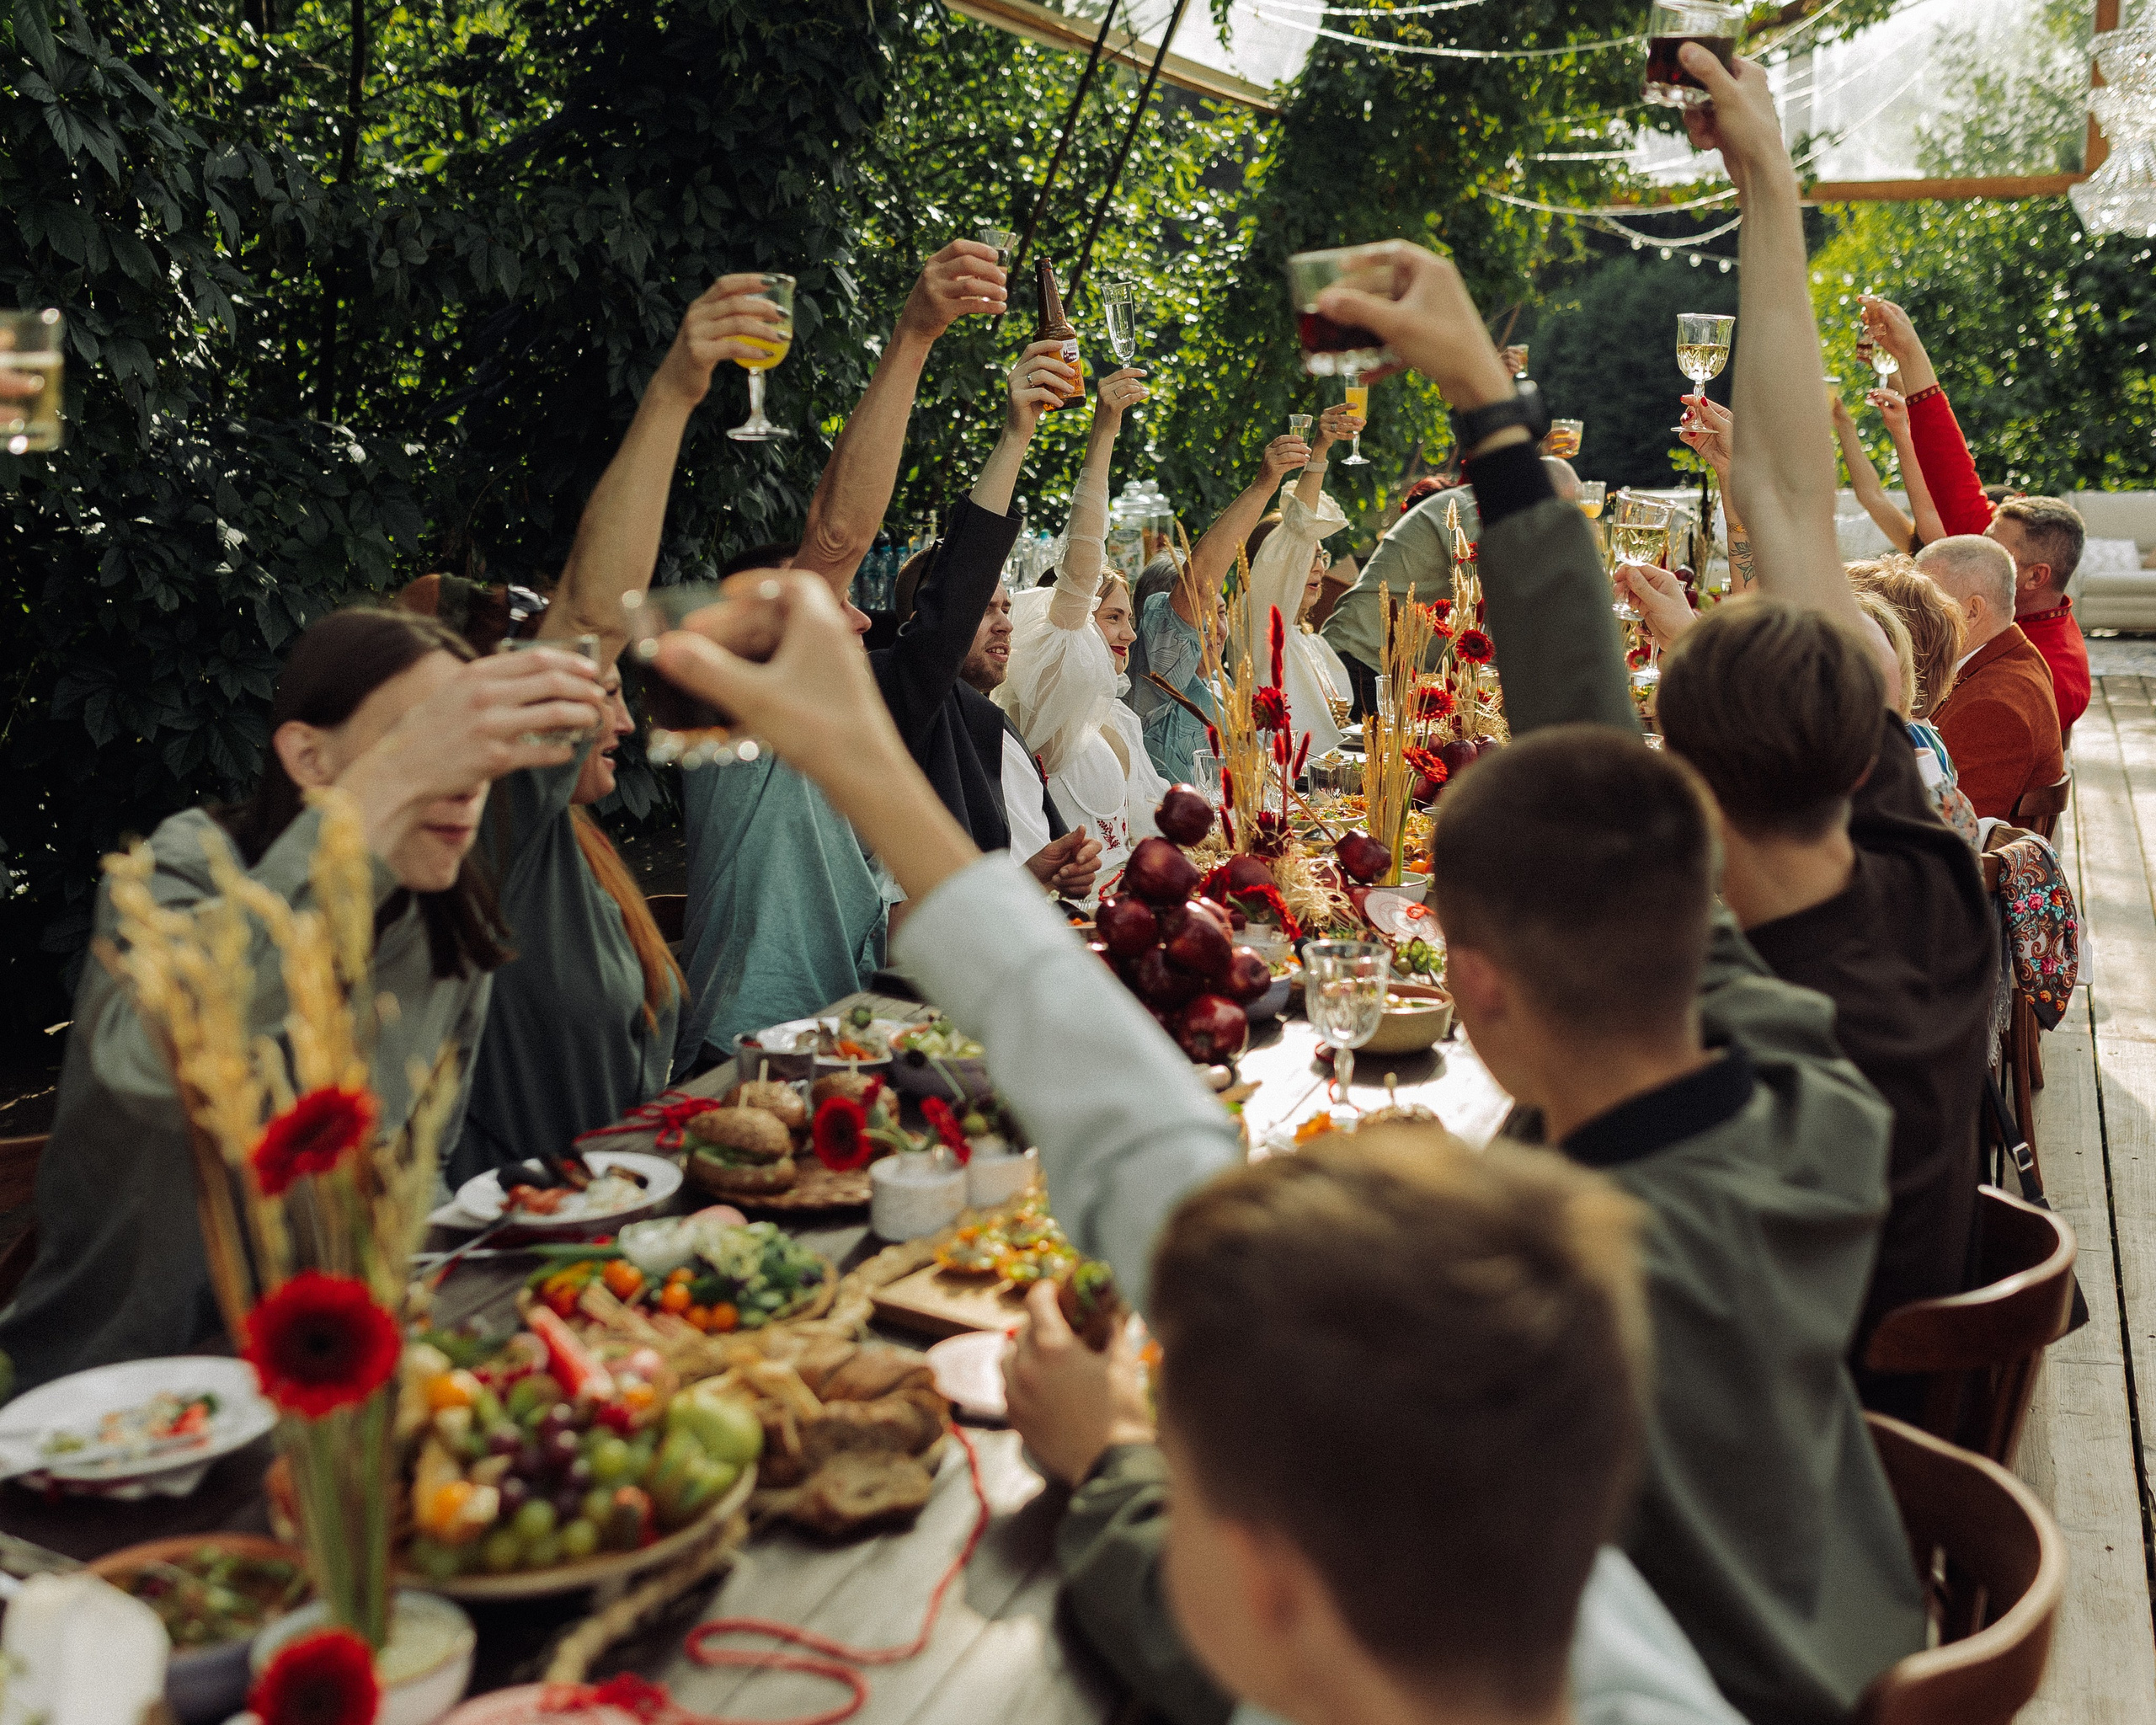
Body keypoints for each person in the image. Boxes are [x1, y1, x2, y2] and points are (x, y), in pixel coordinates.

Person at [648, 577, 1748, 1725]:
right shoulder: (1550, 1592)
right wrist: (867, 762)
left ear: (1265, 1592)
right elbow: (1151, 1153)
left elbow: (1147, 1150)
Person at [1312, 43, 1926, 1722]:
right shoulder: (1813, 1065)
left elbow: (1316, 1621)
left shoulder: (1543, 1295)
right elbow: (1775, 510)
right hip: (1851, 1602)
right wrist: (1763, 195)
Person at [0, 611, 604, 1390]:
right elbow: (152, 1066)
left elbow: (420, 1176)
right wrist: (383, 792)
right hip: (111, 1393)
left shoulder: (447, 924)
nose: (462, 784)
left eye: (474, 748)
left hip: (331, 1379)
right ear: (309, 758)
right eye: (424, 741)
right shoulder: (186, 867)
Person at [443, 275, 786, 1184]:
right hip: (519, 1244)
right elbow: (594, 611)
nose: (625, 718)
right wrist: (677, 386)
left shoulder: (572, 845)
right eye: (600, 693)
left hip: (629, 1207)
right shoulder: (490, 822)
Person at [673, 241, 1008, 1071]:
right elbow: (835, 534)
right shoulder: (742, 717)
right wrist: (914, 336)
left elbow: (894, 930)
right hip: (743, 1058)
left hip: (844, 1043)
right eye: (823, 608)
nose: (859, 622)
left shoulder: (845, 746)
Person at [1858, 298, 2091, 734]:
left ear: (2036, 577)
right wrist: (1909, 353)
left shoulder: (2055, 673)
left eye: (1990, 539)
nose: (1976, 540)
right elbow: (1951, 472)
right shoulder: (2000, 558)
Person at [998, 366, 1169, 894]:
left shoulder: (1114, 712)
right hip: (1080, 923)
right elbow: (1081, 569)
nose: (1129, 635)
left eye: (1129, 619)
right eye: (1111, 617)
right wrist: (1103, 433)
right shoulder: (1047, 703)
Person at [1324, 457, 1581, 717]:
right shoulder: (1475, 509)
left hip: (1390, 671)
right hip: (1360, 664)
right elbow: (1507, 597)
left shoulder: (1497, 514)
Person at [1130, 430, 1316, 783]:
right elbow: (1197, 585)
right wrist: (1263, 487)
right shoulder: (1153, 683)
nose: (1215, 628)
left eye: (1219, 612)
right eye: (1198, 617)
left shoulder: (1222, 681)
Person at [1241, 403, 1360, 756]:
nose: (1318, 567)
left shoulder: (1313, 643)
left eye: (1321, 556)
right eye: (1305, 558)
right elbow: (1297, 530)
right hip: (1282, 787)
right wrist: (1319, 452)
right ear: (1271, 568)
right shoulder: (1261, 628)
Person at [1918, 534, 2065, 820]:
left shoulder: (1993, 705)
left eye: (1924, 603)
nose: (1909, 616)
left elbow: (1948, 832)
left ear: (1971, 611)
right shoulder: (2012, 655)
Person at [1989, 494, 2090, 737]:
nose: (1978, 557)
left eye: (1995, 553)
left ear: (2035, 577)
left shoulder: (2045, 676)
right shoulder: (2045, 614)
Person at [1831, 388, 1943, 553]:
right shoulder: (1925, 550)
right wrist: (1844, 424)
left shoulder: (1934, 551)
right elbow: (1871, 496)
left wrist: (1900, 428)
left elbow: (1872, 496)